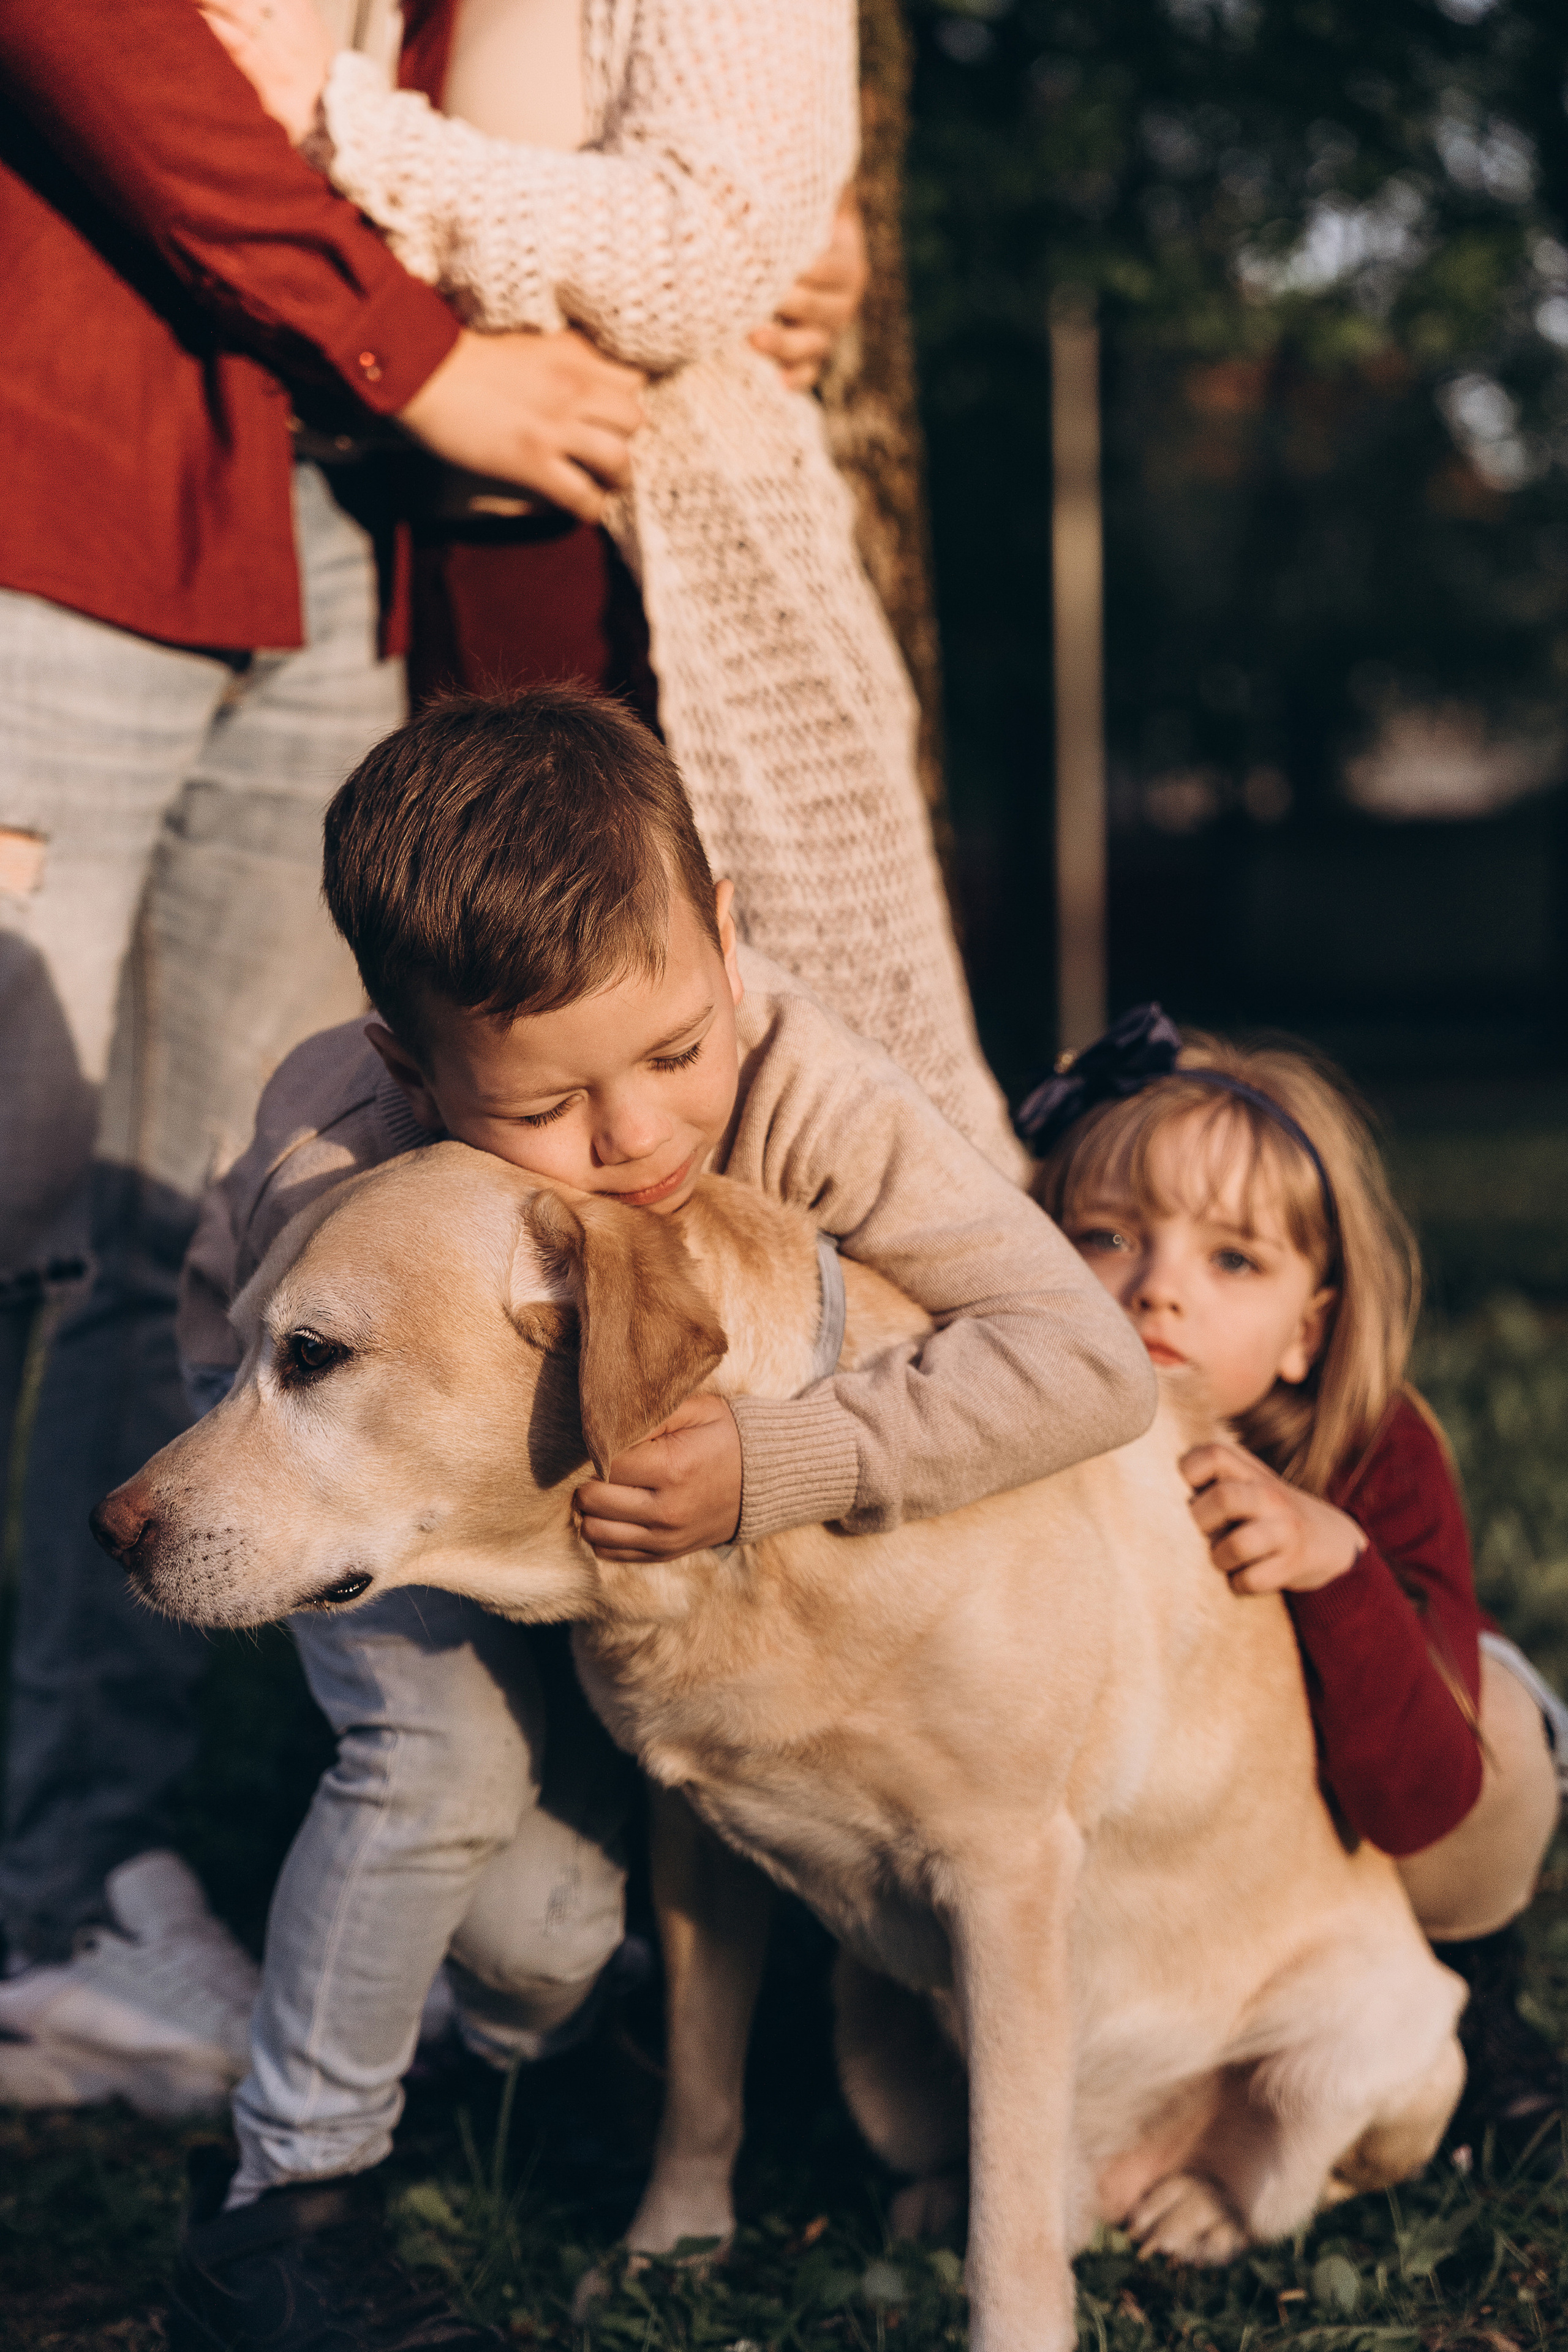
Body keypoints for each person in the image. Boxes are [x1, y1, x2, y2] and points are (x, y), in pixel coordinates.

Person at [162, 686, 1156, 2352]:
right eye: (543, 1110)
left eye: (675, 1051)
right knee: (436, 1768)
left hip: (586, 1554)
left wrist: (785, 1460)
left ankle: (544, 2034)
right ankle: (294, 2198)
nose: (634, 1140)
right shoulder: (344, 1143)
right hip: (330, 1480)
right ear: (417, 1069)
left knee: (550, 1931)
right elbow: (293, 1381)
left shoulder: (795, 1082)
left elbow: (1081, 1359)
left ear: (726, 935)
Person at [0, 0, 646, 2114]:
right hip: (56, 465)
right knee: (13, 1204)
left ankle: (85, 1880)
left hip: (337, 535)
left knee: (186, 1229)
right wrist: (429, 359)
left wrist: (702, 255)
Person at [197, 0, 1025, 1177]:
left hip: (630, 590)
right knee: (431, 1148)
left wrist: (345, 126)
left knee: (735, 1127)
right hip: (378, 594)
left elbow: (698, 251)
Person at [1024, 1005, 1567, 2145]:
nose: (1160, 1289)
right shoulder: (1022, 1436)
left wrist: (1337, 1567)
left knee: (1502, 1732)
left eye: (1232, 1258)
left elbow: (1417, 1799)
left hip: (1390, 1808)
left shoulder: (1375, 1454)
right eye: (1109, 1237)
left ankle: (1466, 1982)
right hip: (1187, 1858)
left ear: (1307, 1336)